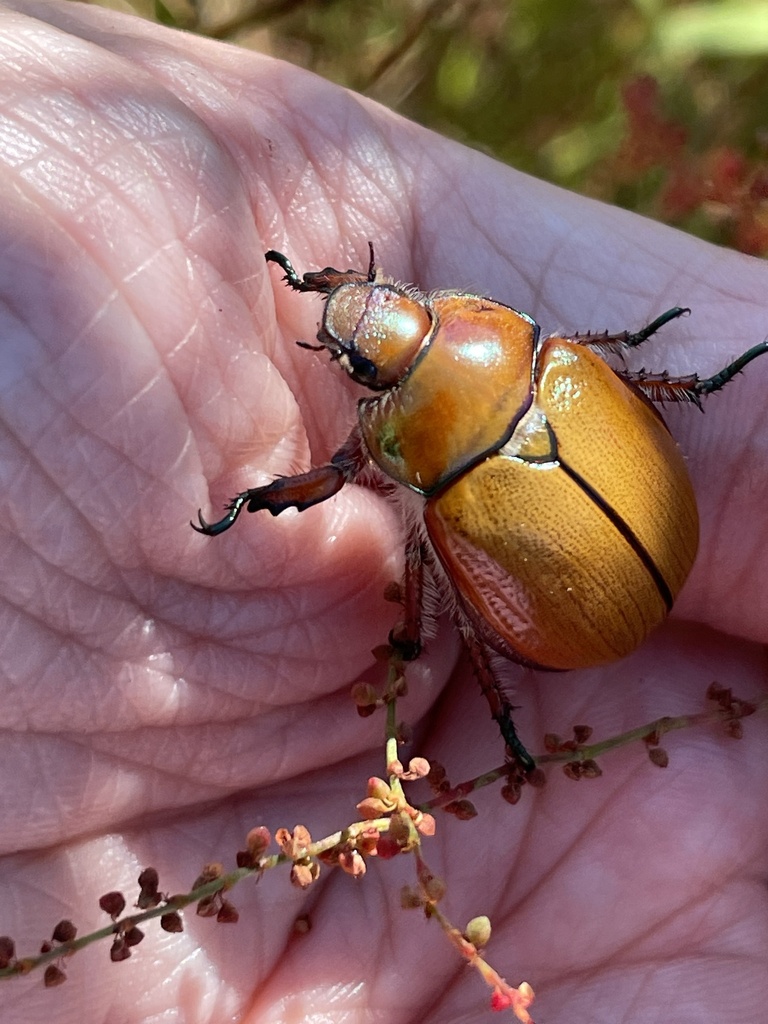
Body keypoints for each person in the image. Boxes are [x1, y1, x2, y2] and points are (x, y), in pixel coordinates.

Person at [0, 3, 766, 1021]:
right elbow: (587, 352)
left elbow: (325, 475)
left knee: (445, 573)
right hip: (612, 555)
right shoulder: (535, 354)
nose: (358, 319)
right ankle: (682, 402)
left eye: (365, 321)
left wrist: (261, 499)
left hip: (595, 569)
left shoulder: (414, 450)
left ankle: (504, 710)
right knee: (543, 437)